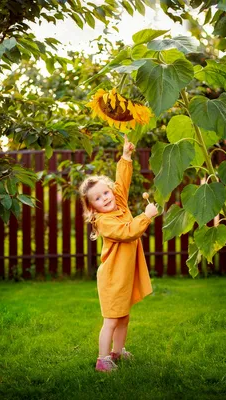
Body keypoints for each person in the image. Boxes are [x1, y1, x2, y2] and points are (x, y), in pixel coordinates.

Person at [79, 135, 158, 372]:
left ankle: (117, 352)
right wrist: (146, 215)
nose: (106, 198)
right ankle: (102, 360)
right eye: (99, 198)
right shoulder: (104, 222)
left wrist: (125, 156)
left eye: (106, 193)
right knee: (112, 320)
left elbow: (121, 183)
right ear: (92, 207)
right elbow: (128, 232)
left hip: (123, 276)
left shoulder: (119, 204)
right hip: (113, 278)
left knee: (124, 317)